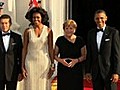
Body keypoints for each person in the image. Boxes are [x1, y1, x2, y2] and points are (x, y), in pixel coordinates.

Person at [85, 9, 120, 90]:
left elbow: (116, 54)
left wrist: (116, 72)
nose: (99, 20)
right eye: (97, 18)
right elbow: (89, 54)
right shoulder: (91, 33)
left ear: (106, 18)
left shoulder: (113, 32)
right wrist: (87, 71)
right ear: (94, 19)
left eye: (101, 18)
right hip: (96, 72)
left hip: (109, 72)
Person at [21, 7, 54, 90]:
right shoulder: (27, 31)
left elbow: (50, 48)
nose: (35, 19)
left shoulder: (48, 31)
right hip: (30, 63)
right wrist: (22, 66)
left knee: (43, 85)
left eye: (38, 17)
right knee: (30, 85)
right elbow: (24, 48)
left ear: (42, 18)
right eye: (34, 17)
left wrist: (53, 64)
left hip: (44, 63)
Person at [54, 19, 87, 90]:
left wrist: (76, 60)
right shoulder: (60, 40)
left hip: (76, 69)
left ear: (75, 29)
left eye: (71, 28)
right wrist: (61, 61)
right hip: (63, 69)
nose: (69, 30)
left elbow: (84, 56)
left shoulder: (80, 40)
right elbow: (54, 55)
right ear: (64, 29)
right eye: (67, 28)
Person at [0, 14, 23, 90]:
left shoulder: (17, 37)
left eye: (6, 23)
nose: (4, 25)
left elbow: (20, 55)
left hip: (13, 72)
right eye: (2, 23)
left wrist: (20, 71)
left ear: (10, 24)